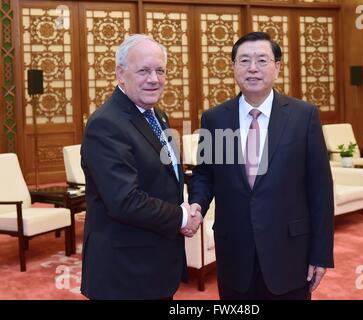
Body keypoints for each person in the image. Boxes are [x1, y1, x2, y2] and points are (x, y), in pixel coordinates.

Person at [188, 32, 334, 300]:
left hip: (290, 253)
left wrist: (321, 253)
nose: (252, 68)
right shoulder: (215, 118)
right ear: (233, 67)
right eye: (244, 60)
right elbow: (205, 174)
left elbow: (320, 190)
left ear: (277, 67)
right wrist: (197, 203)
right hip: (234, 251)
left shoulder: (304, 116)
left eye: (262, 60)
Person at [80, 34, 202, 300]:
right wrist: (182, 218)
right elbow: (125, 201)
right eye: (144, 70)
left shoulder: (157, 115)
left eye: (160, 71)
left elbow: (166, 180)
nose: (154, 79)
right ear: (120, 74)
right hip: (124, 274)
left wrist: (186, 207)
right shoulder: (106, 124)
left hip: (155, 264)